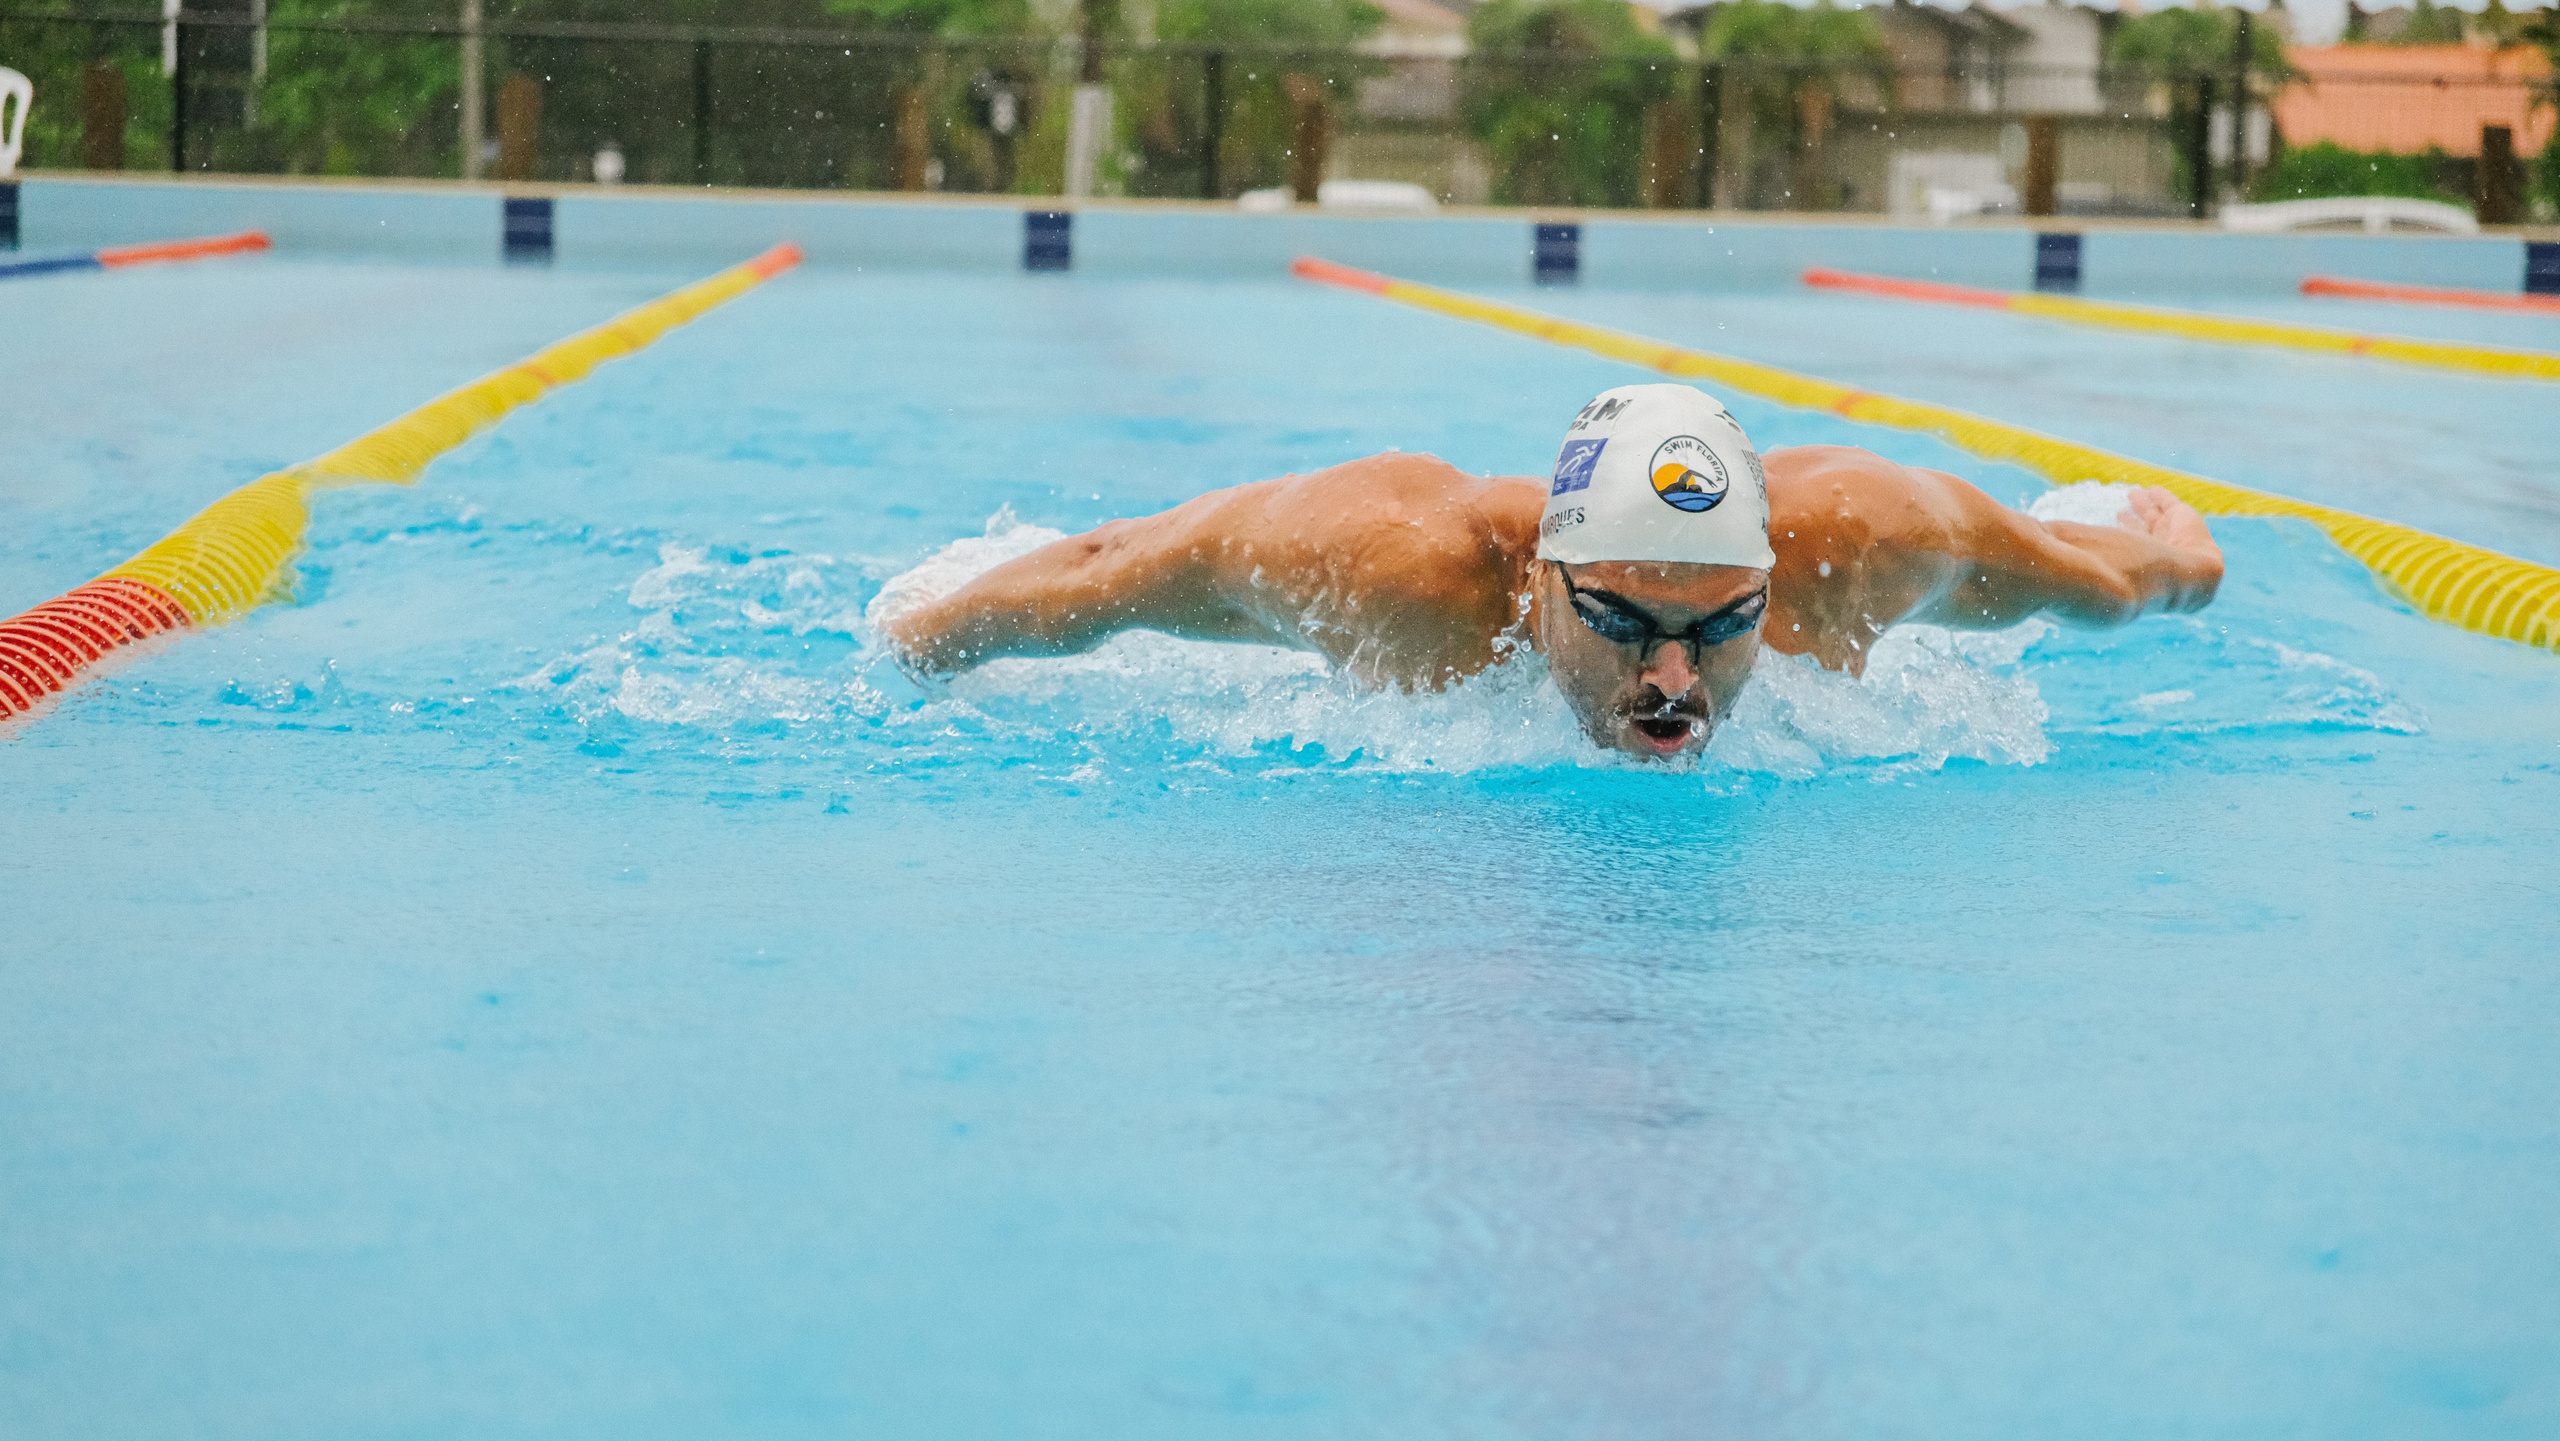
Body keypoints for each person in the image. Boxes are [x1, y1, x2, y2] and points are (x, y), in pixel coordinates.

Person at [881, 385, 2224, 760]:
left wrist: (2178, 562)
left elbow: (2089, 575)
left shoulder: (1855, 548)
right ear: (1545, 577)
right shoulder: (1398, 569)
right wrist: (931, 635)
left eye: (1721, 625)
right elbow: (1119, 567)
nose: (1674, 681)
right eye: (1628, 622)